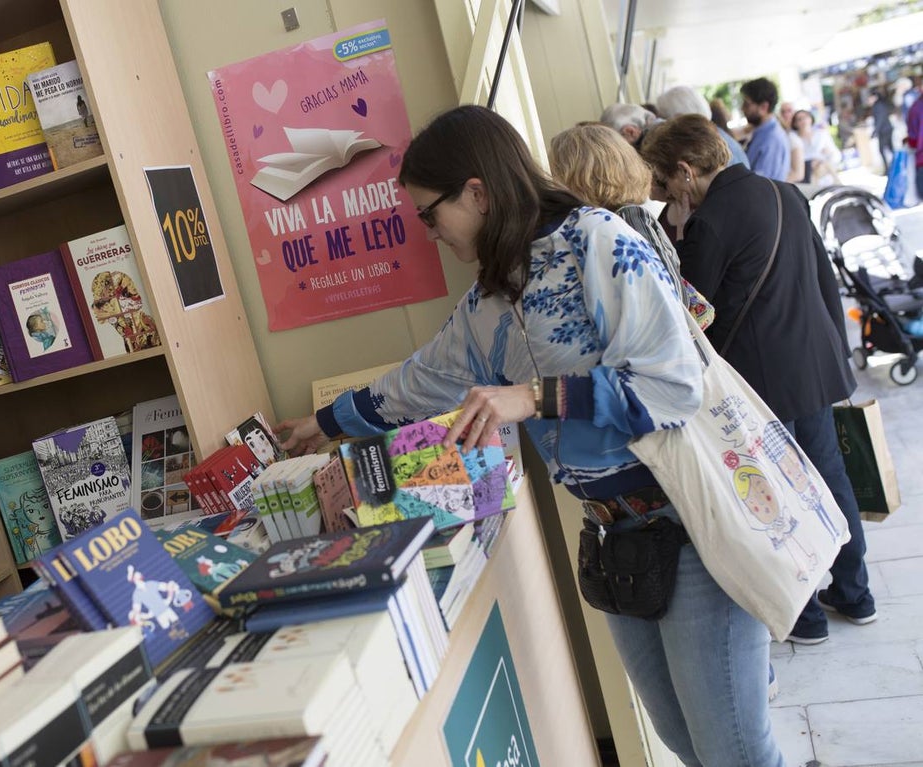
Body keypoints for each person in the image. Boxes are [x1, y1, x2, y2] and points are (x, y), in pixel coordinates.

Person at [277, 105, 784, 767]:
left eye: (431, 214)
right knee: (688, 742)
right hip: (615, 541)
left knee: (736, 753)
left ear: (478, 193)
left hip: (690, 527)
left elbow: (673, 384)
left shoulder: (597, 240)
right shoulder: (488, 300)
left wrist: (536, 397)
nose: (429, 233)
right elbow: (414, 384)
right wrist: (320, 423)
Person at [641, 114, 877, 644]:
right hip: (813, 362)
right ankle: (856, 593)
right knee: (828, 480)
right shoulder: (783, 193)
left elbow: (694, 311)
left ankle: (807, 617)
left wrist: (677, 236)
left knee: (780, 500)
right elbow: (822, 276)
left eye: (661, 182)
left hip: (762, 382)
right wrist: (838, 352)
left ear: (684, 171)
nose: (660, 194)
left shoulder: (710, 222)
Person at [547, 122, 713, 330]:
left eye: (557, 173)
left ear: (578, 177)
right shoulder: (600, 223)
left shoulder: (628, 218)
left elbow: (671, 296)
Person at [657, 85, 750, 170]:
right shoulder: (717, 136)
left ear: (679, 119)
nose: (663, 128)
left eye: (665, 121)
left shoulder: (706, 148)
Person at [740, 77, 790, 181]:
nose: (742, 108)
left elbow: (760, 186)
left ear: (763, 107)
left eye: (747, 104)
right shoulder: (763, 132)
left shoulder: (771, 139)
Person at [791, 109, 841, 185]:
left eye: (805, 117)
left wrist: (828, 154)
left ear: (810, 118)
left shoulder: (822, 134)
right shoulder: (795, 140)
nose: (803, 121)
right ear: (795, 123)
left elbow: (836, 155)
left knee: (822, 166)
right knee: (818, 167)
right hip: (806, 171)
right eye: (799, 119)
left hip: (824, 169)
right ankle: (838, 183)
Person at [776, 101, 806, 184]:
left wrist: (774, 185)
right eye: (783, 112)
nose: (786, 115)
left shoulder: (793, 138)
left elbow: (798, 174)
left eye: (789, 111)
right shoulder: (780, 134)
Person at [868, 90, 895, 174]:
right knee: (889, 148)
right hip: (886, 129)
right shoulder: (880, 105)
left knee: (883, 149)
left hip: (884, 130)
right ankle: (893, 166)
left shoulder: (877, 106)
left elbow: (880, 119)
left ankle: (888, 168)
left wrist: (875, 131)